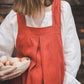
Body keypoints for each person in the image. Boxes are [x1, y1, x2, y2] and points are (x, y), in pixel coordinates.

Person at [0, 0, 81, 84]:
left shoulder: (62, 9)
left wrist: (67, 81)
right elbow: (1, 50)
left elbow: (72, 55)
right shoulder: (16, 15)